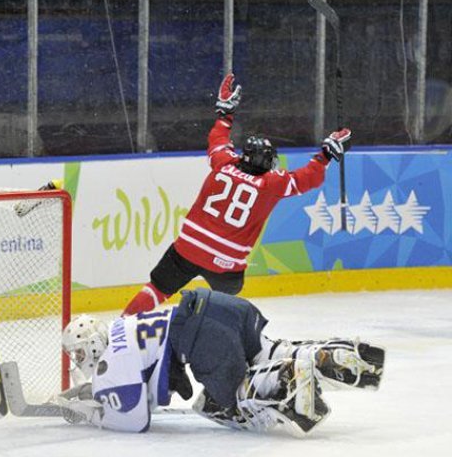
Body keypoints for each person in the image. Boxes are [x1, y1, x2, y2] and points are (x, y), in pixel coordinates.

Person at [123, 73, 352, 315]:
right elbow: (309, 178)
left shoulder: (224, 163)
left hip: (189, 247)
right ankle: (205, 328)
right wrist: (327, 154)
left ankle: (121, 328)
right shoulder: (270, 184)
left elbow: (217, 139)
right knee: (224, 304)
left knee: (156, 289)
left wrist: (225, 113)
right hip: (227, 264)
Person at [57, 288, 384, 436]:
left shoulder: (111, 362)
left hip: (200, 334)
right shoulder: (120, 327)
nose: (80, 359)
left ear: (93, 344)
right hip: (216, 304)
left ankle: (288, 378)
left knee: (224, 403)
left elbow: (133, 421)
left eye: (80, 353)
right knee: (268, 351)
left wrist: (89, 414)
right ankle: (339, 356)